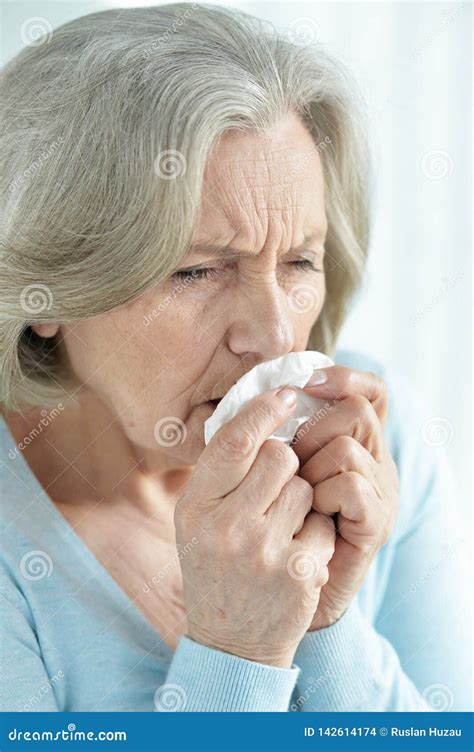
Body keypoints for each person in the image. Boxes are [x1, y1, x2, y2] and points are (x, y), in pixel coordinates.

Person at [0, 3, 470, 712]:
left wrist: (327, 625)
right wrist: (237, 652)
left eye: (300, 261)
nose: (279, 340)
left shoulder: (378, 438)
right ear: (43, 293)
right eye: (197, 272)